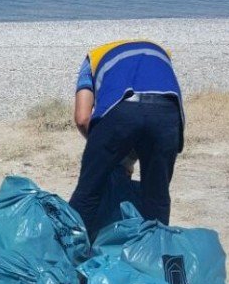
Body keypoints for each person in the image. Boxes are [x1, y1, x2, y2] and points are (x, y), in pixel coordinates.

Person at [68, 39, 184, 240]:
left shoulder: (92, 58)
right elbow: (150, 115)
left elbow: (82, 118)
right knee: (157, 198)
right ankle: (154, 258)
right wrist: (128, 156)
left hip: (121, 110)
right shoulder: (162, 53)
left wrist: (109, 155)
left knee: (88, 193)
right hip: (167, 111)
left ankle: (70, 258)